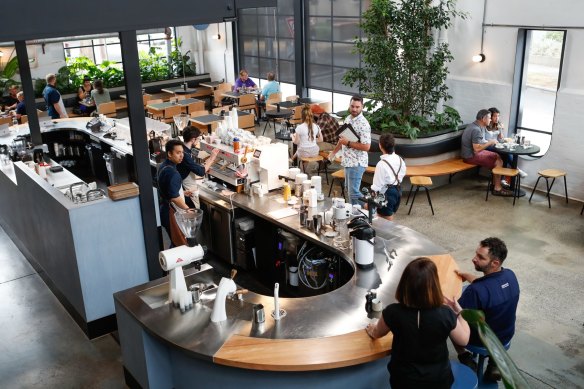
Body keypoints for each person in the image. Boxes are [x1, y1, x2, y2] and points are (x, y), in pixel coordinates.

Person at [366, 257, 470, 388]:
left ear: (405, 284)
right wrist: (461, 313)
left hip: (403, 380)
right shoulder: (445, 314)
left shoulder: (392, 312)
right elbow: (464, 340)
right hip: (437, 380)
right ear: (434, 285)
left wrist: (371, 329)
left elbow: (377, 333)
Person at [454, 237, 520, 382]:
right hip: (506, 335)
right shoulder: (510, 275)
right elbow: (489, 286)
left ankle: (465, 358)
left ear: (495, 263)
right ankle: (494, 364)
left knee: (450, 320)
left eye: (480, 257)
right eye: (476, 254)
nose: (474, 259)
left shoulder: (475, 291)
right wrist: (468, 276)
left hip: (483, 340)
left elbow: (457, 311)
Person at [328, 95, 371, 205]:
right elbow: (342, 139)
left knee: (353, 193)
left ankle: (372, 209)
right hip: (348, 161)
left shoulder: (364, 124)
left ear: (362, 107)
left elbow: (366, 147)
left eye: (357, 107)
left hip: (357, 162)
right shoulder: (348, 118)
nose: (354, 109)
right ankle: (358, 213)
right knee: (349, 190)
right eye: (352, 106)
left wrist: (348, 142)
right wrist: (334, 152)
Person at [460, 109, 510, 196]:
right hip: (469, 156)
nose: (491, 120)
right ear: (483, 119)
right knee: (498, 161)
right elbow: (476, 149)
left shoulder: (477, 126)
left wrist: (491, 141)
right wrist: (490, 142)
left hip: (470, 153)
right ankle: (497, 188)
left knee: (497, 156)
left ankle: (495, 185)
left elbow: (481, 141)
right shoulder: (476, 129)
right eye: (490, 118)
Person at [157, 140, 194, 247]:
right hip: (171, 213)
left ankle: (174, 263)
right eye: (178, 153)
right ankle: (173, 263)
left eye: (182, 152)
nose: (181, 155)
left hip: (164, 209)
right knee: (179, 243)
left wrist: (182, 192)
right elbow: (174, 198)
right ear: (169, 154)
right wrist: (188, 209)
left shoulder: (164, 166)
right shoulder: (173, 173)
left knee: (176, 241)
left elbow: (168, 188)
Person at [178, 126, 220, 208]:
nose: (198, 141)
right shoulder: (185, 155)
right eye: (198, 139)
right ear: (193, 139)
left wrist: (204, 165)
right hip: (186, 187)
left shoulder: (183, 148)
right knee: (194, 210)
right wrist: (212, 158)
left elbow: (192, 166)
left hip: (186, 183)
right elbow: (201, 172)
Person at [370, 134, 406, 221]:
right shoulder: (400, 159)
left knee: (386, 218)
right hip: (398, 190)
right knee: (388, 214)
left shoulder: (381, 164)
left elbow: (377, 185)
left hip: (386, 193)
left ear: (380, 146)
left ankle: (387, 234)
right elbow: (403, 173)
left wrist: (373, 197)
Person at [485, 107, 527, 181]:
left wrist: (501, 132)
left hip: (496, 145)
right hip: (487, 146)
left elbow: (500, 139)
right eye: (495, 116)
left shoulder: (498, 125)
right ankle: (517, 170)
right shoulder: (486, 125)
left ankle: (503, 179)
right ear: (490, 116)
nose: (497, 118)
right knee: (505, 154)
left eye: (498, 116)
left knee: (506, 154)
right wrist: (495, 142)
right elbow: (485, 140)